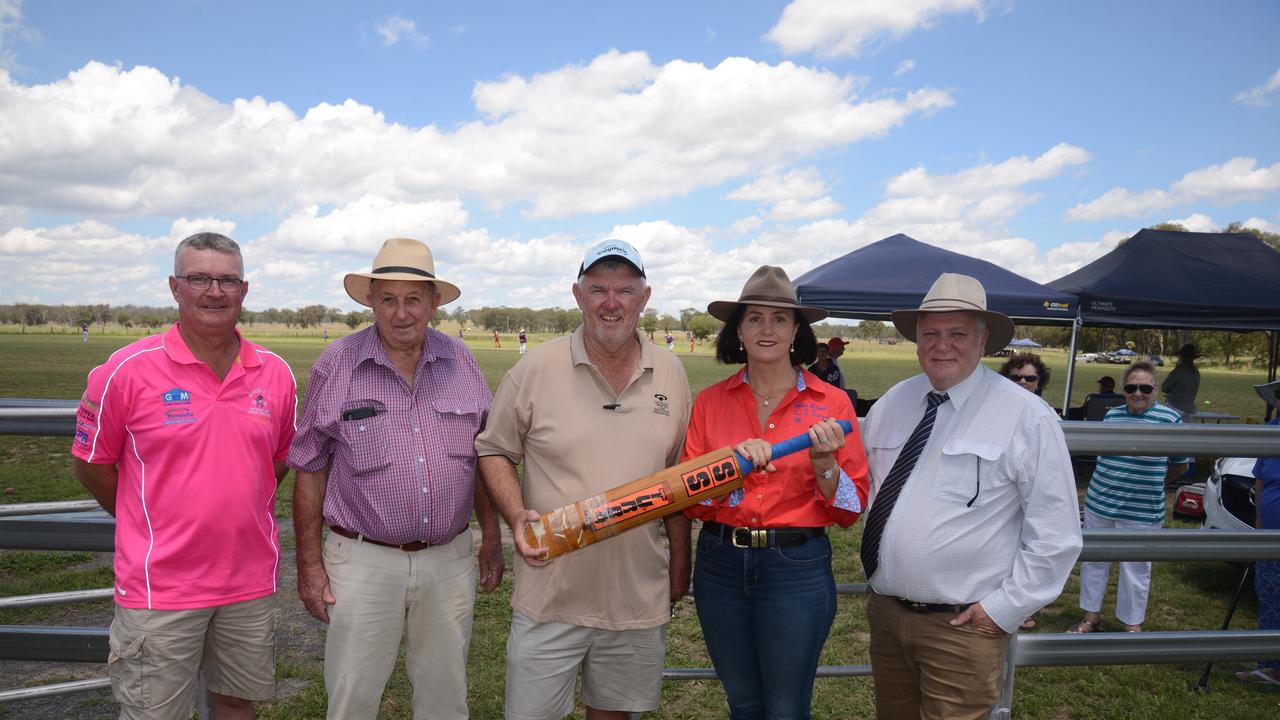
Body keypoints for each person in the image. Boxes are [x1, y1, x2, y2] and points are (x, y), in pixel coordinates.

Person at [72, 232, 297, 719]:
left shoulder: (276, 374)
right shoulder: (125, 371)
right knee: (156, 713)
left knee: (237, 705)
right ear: (175, 287)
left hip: (249, 583)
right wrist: (146, 516)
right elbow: (91, 466)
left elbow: (276, 462)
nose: (215, 291)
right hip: (161, 587)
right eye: (199, 278)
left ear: (244, 289)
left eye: (228, 280)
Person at [475, 239, 692, 720]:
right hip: (550, 596)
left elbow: (676, 478)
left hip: (636, 598)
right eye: (598, 289)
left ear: (645, 296)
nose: (611, 303)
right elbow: (493, 448)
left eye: (624, 290)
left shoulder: (671, 372)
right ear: (577, 295)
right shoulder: (536, 366)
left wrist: (681, 561)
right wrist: (514, 514)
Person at [288, 237, 503, 719]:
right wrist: (308, 565)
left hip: (449, 559)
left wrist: (491, 538)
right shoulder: (337, 363)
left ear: (433, 304)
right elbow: (309, 466)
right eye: (388, 299)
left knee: (446, 698)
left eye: (413, 299)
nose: (400, 313)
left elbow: (484, 457)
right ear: (371, 301)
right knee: (352, 697)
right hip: (361, 560)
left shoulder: (462, 362)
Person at [859, 273, 1082, 719]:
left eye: (958, 333)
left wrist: (1003, 609)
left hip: (963, 627)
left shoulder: (1026, 416)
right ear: (917, 340)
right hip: (887, 616)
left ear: (983, 342)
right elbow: (866, 490)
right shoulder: (891, 404)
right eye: (931, 333)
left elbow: (1056, 534)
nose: (943, 345)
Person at [684, 265, 869, 718]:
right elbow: (691, 498)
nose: (767, 328)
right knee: (743, 702)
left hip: (796, 570)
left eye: (780, 318)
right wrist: (729, 470)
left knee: (786, 707)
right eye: (754, 318)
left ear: (796, 333)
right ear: (739, 333)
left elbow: (850, 508)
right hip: (720, 565)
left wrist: (824, 464)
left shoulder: (832, 403)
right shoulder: (710, 401)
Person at [1069, 361, 1189, 635]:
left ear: (1155, 389)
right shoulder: (1111, 416)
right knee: (1094, 561)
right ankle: (1091, 617)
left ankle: (1132, 624)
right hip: (1101, 502)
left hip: (1142, 509)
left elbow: (1181, 464)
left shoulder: (1171, 420)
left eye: (1145, 387)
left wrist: (1156, 484)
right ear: (1123, 390)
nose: (1138, 393)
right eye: (1131, 387)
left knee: (1136, 567)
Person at [1239, 380, 1280, 686]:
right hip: (1269, 532)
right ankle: (1270, 666)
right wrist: (1258, 529)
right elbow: (1260, 482)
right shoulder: (1271, 428)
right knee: (1268, 593)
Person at [1161, 342, 1202, 415]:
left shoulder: (1179, 370)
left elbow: (1164, 387)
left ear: (1181, 357)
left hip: (1176, 407)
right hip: (1190, 408)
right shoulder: (1196, 372)